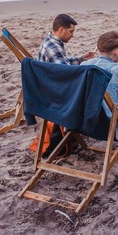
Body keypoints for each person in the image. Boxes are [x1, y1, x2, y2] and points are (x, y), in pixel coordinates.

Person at [33, 13, 95, 157]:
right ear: (61, 29)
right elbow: (66, 73)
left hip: (49, 86)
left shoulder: (51, 41)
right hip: (53, 95)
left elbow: (63, 64)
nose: (72, 35)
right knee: (89, 94)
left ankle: (72, 134)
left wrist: (81, 59)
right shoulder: (54, 48)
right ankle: (76, 130)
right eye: (71, 31)